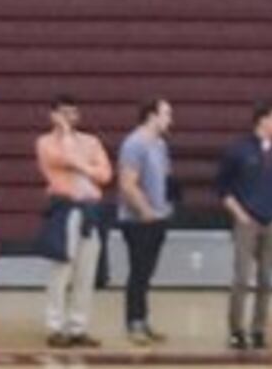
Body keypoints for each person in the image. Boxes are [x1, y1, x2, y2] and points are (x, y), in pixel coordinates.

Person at [213, 100, 272, 352]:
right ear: (263, 120)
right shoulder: (239, 150)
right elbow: (222, 187)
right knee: (242, 277)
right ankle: (237, 329)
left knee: (267, 277)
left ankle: (259, 329)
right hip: (247, 219)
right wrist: (239, 213)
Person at [36, 96, 112, 350]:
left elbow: (105, 174)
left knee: (86, 271)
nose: (70, 118)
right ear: (54, 115)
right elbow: (62, 160)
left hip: (90, 209)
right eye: (64, 113)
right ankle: (55, 326)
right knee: (61, 270)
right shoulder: (45, 142)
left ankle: (78, 327)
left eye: (74, 113)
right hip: (65, 208)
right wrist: (75, 150)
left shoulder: (91, 141)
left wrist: (84, 169)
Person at [111, 98, 175, 346]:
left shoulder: (160, 144)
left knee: (147, 273)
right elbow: (127, 183)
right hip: (137, 220)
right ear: (151, 116)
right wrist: (145, 209)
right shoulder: (134, 144)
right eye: (166, 114)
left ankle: (143, 320)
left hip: (158, 216)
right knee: (138, 271)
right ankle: (133, 323)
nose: (170, 119)